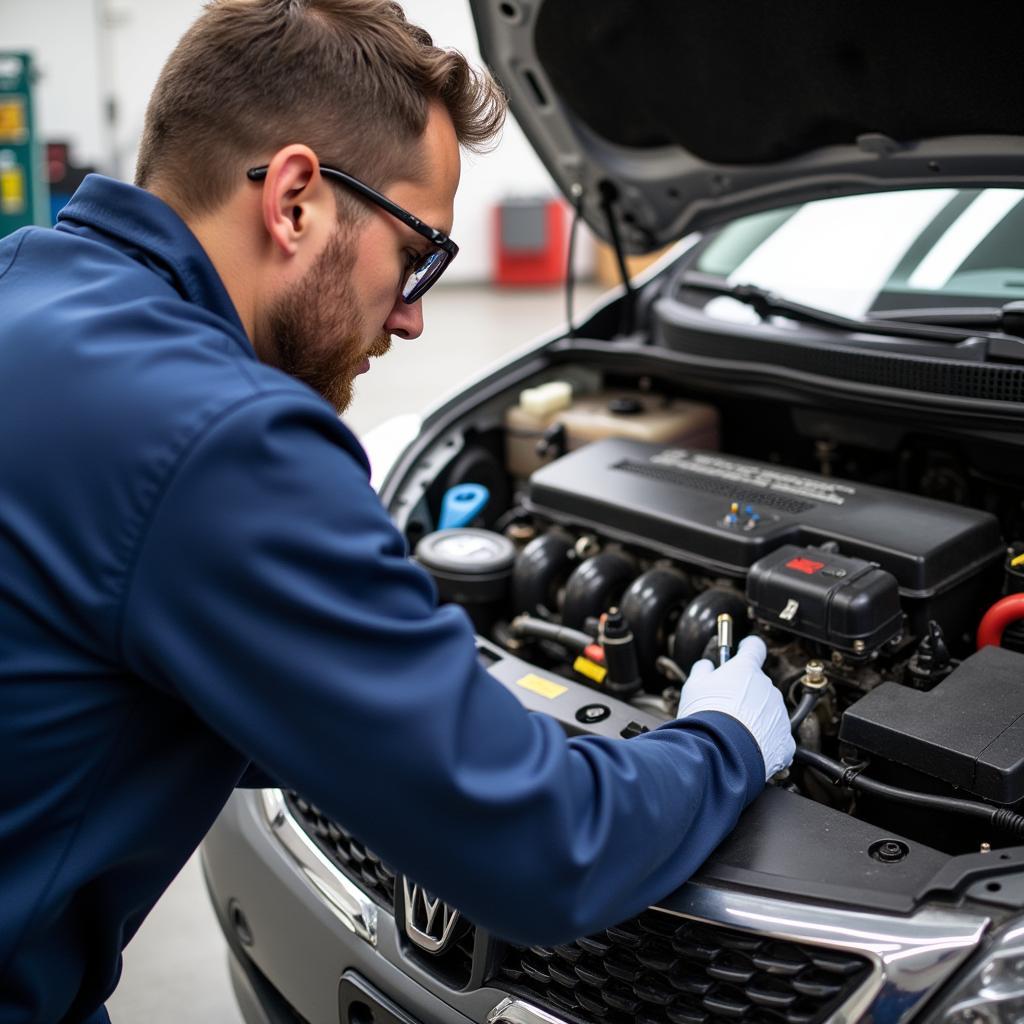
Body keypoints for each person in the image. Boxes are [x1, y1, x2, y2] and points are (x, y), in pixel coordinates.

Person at [0, 2, 794, 1021]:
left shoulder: (27, 281)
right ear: (295, 202)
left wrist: (393, 681)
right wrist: (724, 740)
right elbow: (547, 851)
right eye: (419, 251)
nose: (416, 311)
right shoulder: (225, 440)